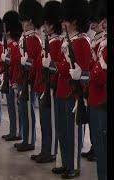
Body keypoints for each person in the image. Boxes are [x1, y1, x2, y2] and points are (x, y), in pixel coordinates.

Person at [52, 0, 91, 178]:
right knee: (62, 130)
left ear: (74, 20)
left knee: (73, 133)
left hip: (73, 92)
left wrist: (76, 73)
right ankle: (66, 162)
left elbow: (85, 72)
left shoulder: (83, 42)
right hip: (61, 90)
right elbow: (61, 65)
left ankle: (74, 166)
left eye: (66, 20)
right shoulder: (67, 41)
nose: (63, 23)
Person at [31, 0, 62, 164]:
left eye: (47, 24)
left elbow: (56, 65)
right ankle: (44, 149)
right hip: (42, 85)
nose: (45, 26)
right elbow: (38, 63)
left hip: (49, 87)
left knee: (50, 122)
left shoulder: (57, 41)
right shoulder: (48, 41)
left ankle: (50, 152)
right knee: (44, 121)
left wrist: (48, 64)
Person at [14, 0, 43, 152]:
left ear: (30, 20)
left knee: (28, 111)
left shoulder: (33, 38)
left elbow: (33, 62)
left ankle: (30, 140)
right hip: (22, 78)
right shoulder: (25, 38)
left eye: (24, 19)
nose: (22, 22)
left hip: (28, 81)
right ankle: (26, 138)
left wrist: (28, 79)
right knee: (23, 111)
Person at [84, 0, 107, 179]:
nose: (93, 23)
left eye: (96, 20)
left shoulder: (104, 44)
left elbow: (99, 75)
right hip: (94, 97)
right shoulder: (97, 41)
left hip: (101, 100)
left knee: (102, 147)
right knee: (99, 146)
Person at [1, 11, 23, 141]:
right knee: (11, 108)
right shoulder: (10, 44)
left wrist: (14, 80)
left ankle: (17, 132)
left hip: (13, 79)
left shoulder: (15, 44)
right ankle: (12, 130)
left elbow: (16, 62)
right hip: (8, 78)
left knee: (15, 108)